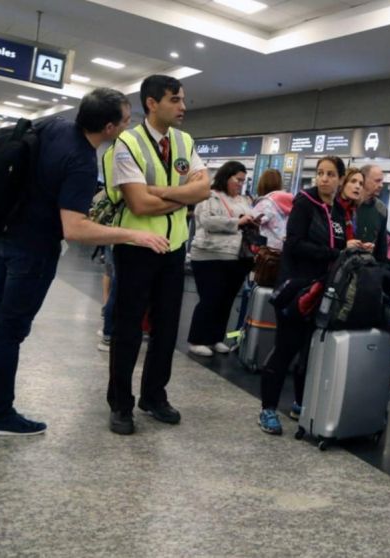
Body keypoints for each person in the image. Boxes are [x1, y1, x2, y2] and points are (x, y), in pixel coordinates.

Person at [0, 88, 170, 436]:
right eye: (126, 120)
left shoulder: (54, 126)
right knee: (10, 330)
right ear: (109, 127)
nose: (129, 125)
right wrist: (134, 235)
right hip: (32, 250)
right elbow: (75, 229)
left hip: (3, 235)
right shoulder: (81, 161)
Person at [103, 75, 211, 435]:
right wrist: (181, 194)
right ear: (152, 103)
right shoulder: (127, 143)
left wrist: (159, 192)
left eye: (183, 100)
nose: (182, 107)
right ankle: (121, 403)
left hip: (173, 249)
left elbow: (204, 189)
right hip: (135, 247)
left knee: (166, 329)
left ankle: (154, 395)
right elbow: (137, 202)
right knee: (128, 329)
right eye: (175, 100)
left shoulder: (184, 141)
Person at [258, 156, 361, 435]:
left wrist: (351, 248)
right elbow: (295, 244)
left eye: (330, 174)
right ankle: (267, 408)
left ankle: (300, 404)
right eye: (320, 173)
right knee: (286, 348)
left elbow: (339, 244)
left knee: (310, 352)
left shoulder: (339, 212)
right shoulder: (304, 203)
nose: (324, 178)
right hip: (297, 288)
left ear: (339, 178)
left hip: (322, 291)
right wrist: (336, 253)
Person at [186, 161, 256, 357]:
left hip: (236, 257)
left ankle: (215, 338)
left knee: (226, 301)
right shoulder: (208, 196)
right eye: (238, 180)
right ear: (227, 177)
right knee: (210, 298)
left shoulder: (243, 200)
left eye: (243, 180)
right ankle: (197, 340)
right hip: (209, 255)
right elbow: (206, 221)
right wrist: (237, 222)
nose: (240, 184)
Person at [250, 169, 292, 251]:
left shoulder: (266, 203)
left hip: (269, 251)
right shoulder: (291, 201)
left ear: (262, 184)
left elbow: (251, 221)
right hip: (287, 248)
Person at [356, 164, 388, 262]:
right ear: (364, 180)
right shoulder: (348, 203)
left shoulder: (381, 209)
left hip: (367, 265)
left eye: (382, 181)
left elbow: (381, 244)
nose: (381, 185)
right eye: (377, 181)